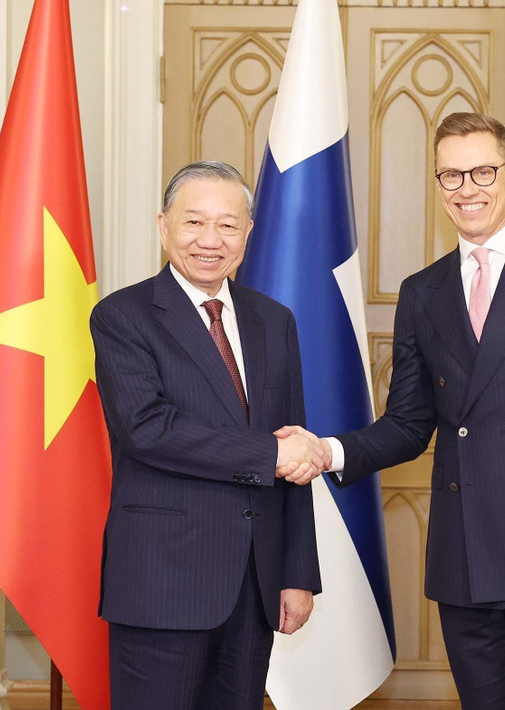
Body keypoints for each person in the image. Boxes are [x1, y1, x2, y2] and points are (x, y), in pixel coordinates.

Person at [277, 112, 505, 709]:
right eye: (450, 176)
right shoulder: (422, 292)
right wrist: (328, 451)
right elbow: (406, 425)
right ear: (437, 184)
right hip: (465, 555)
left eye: (481, 171)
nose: (467, 189)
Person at [91, 160, 327, 710]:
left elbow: (293, 449)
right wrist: (269, 452)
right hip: (162, 583)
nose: (210, 240)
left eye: (228, 224)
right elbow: (148, 429)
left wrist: (297, 573)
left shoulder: (275, 320)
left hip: (254, 585)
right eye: (194, 222)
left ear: (249, 232)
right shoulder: (123, 316)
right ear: (163, 225)